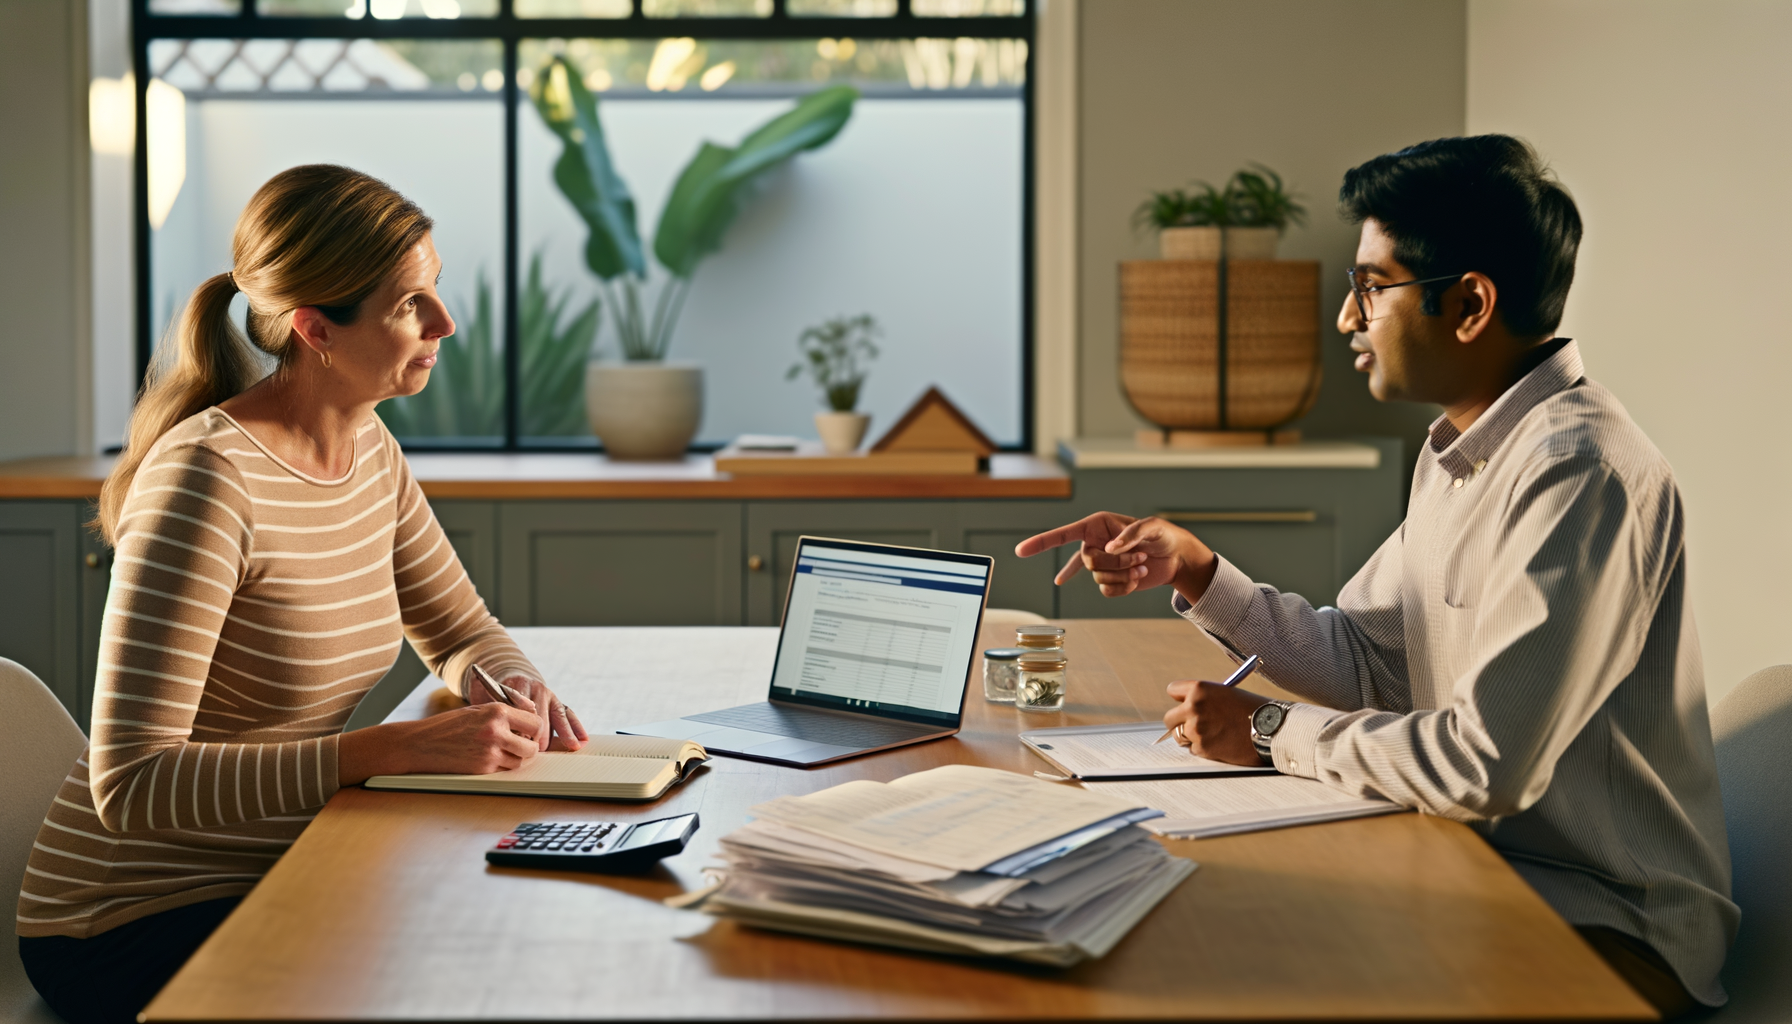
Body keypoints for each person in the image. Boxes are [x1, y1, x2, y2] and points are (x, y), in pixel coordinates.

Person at [1019, 136, 1734, 1018]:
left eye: (1370, 287)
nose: (1346, 320)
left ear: (1469, 304)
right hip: (1480, 865)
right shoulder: (1460, 450)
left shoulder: (1580, 472)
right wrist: (1202, 573)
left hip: (1606, 925)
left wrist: (1272, 730)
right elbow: (1363, 657)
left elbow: (1487, 767)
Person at [14, 165, 589, 1024]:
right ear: (316, 328)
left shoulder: (367, 446)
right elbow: (130, 783)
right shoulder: (208, 480)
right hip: (125, 920)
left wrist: (503, 683)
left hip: (277, 863)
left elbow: (461, 625)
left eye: (435, 290)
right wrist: (391, 752)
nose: (446, 322)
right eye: (409, 305)